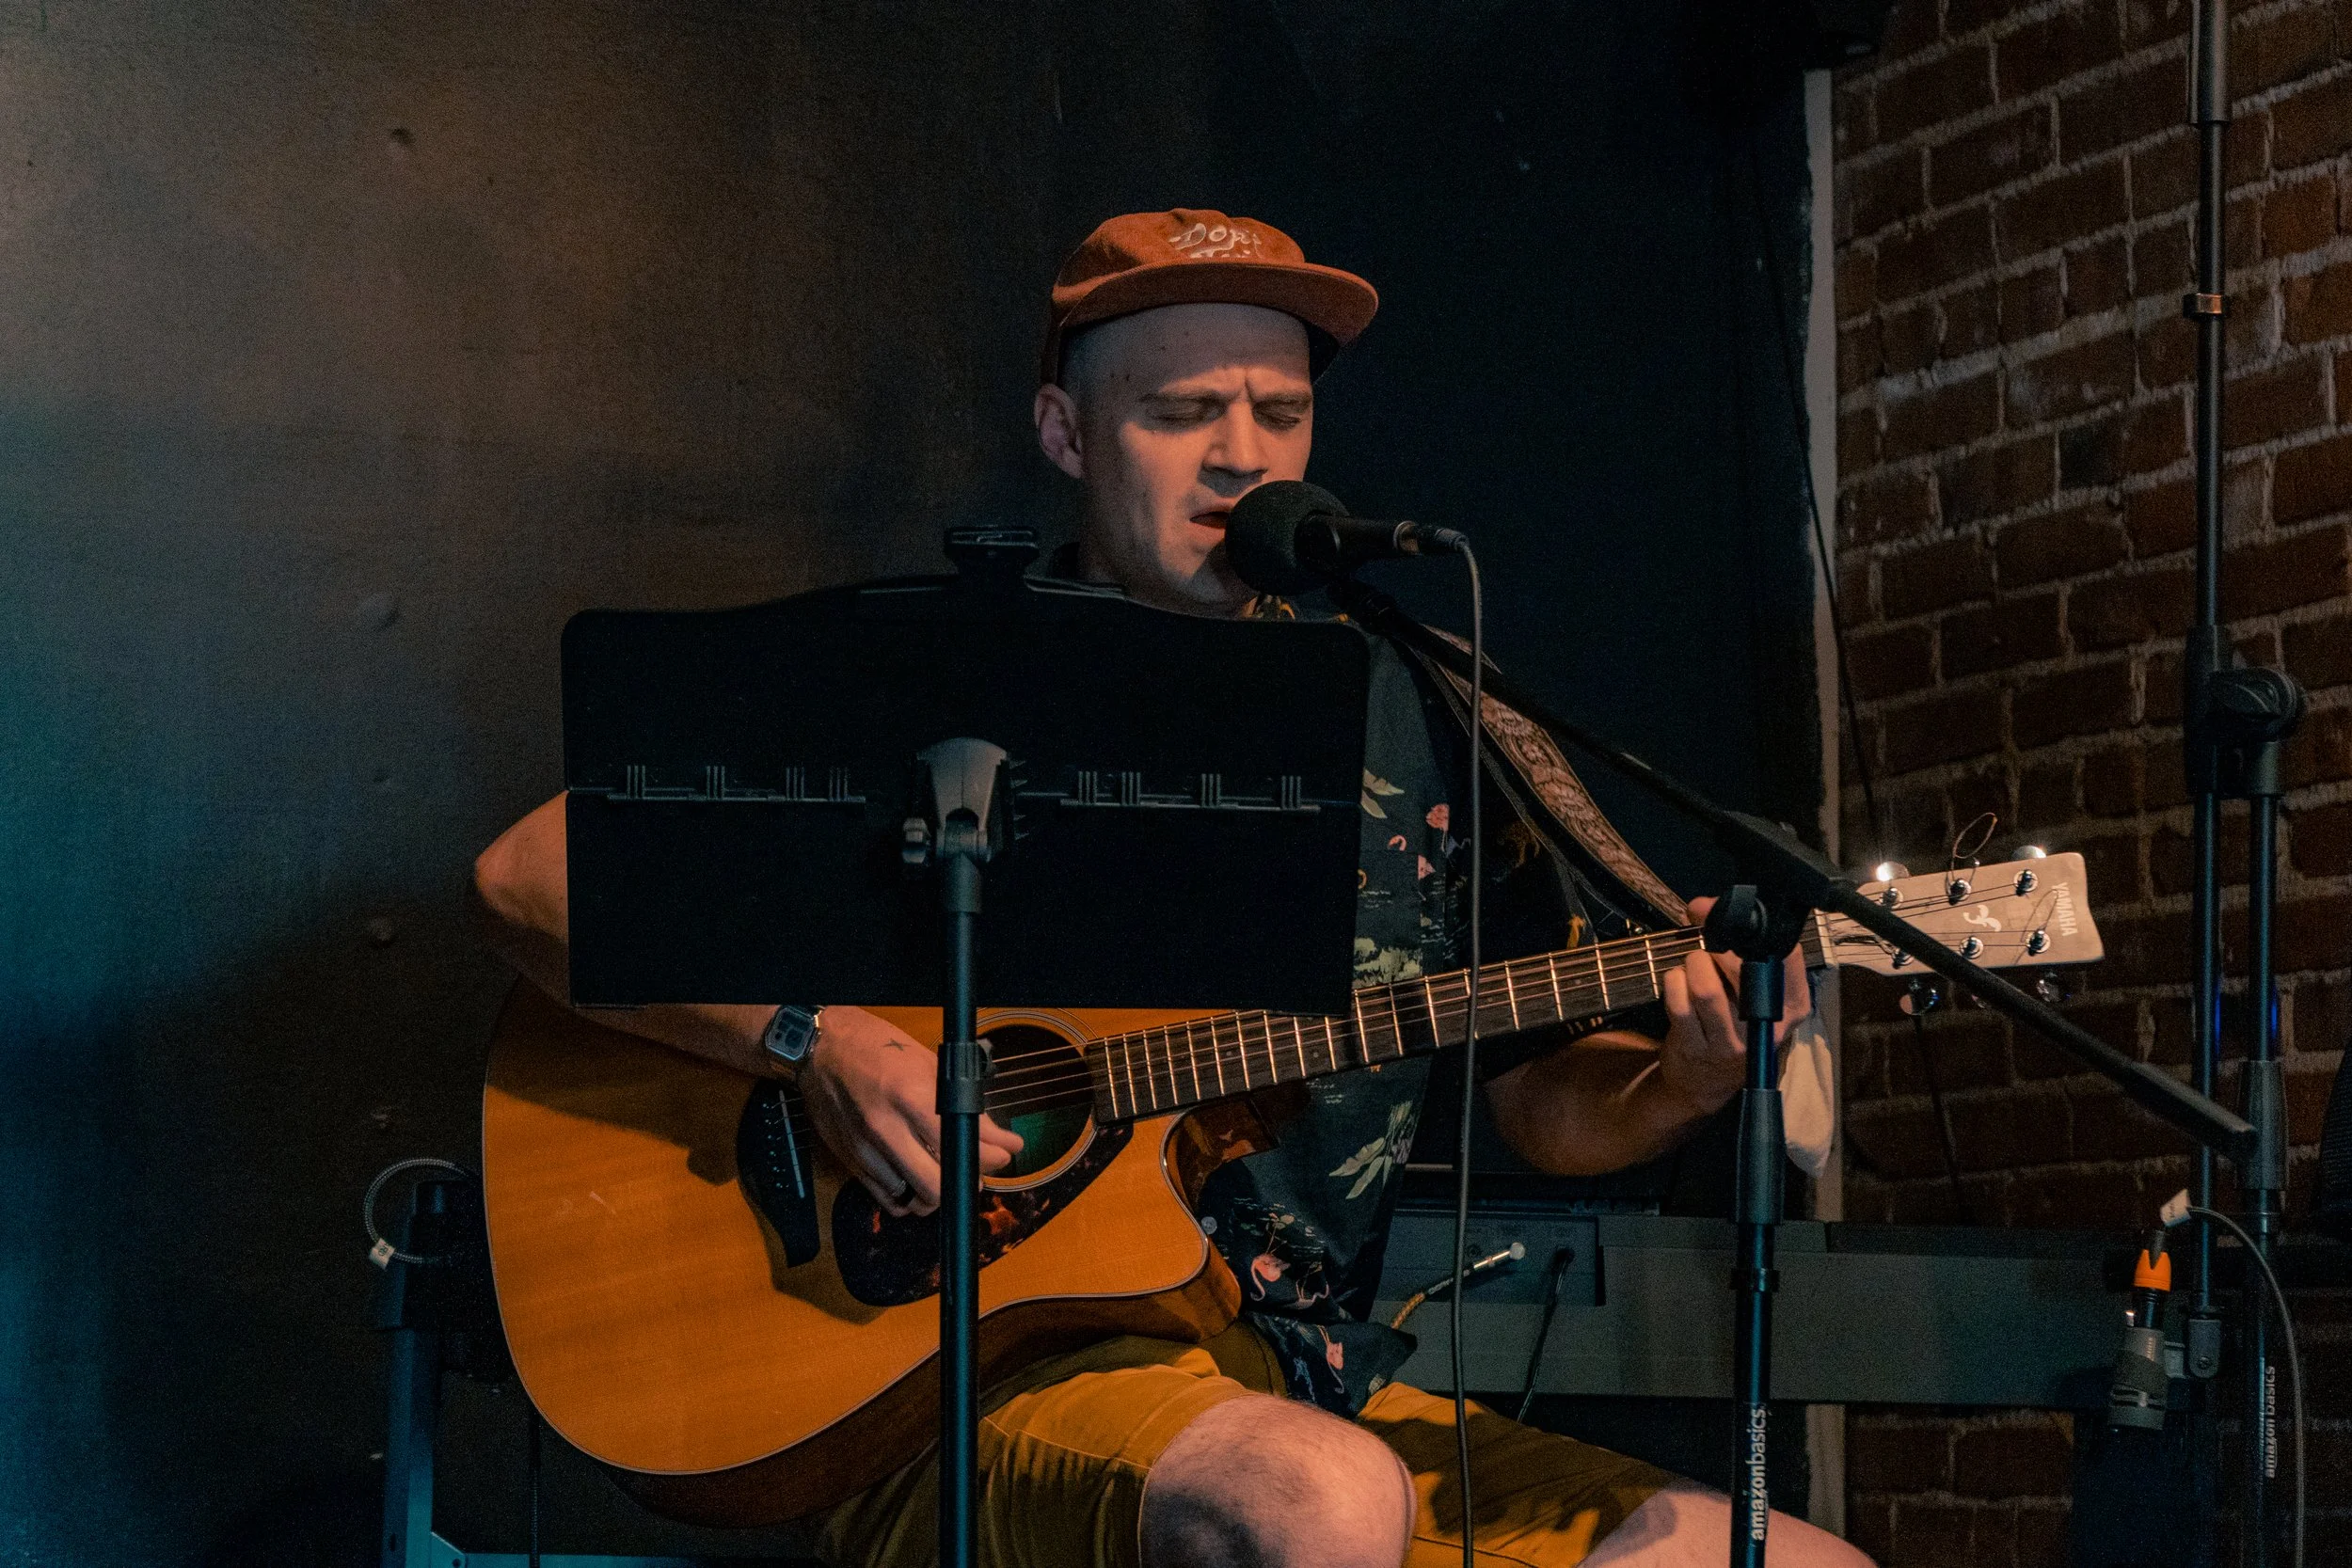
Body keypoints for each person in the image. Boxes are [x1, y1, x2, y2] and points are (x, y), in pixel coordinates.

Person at [472, 209, 1872, 1568]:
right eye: (1185, 412)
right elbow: (527, 875)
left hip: (1305, 1393)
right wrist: (816, 1041)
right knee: (1323, 1503)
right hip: (952, 1396)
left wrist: (1689, 1075)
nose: (1244, 461)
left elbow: (1541, 1102)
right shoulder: (939, 673)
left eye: (1279, 412)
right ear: (1066, 435)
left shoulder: (1420, 715)